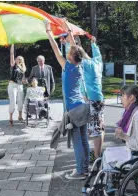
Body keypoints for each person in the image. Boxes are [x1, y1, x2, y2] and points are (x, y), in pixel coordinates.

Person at [45, 21, 90, 180]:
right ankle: (86, 168)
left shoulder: (68, 67)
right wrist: (67, 29)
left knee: (77, 140)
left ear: (70, 57)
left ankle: (79, 171)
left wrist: (48, 31)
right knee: (84, 139)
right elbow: (75, 48)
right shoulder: (80, 65)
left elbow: (55, 50)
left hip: (73, 109)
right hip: (83, 106)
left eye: (69, 53)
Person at [63, 20, 105, 163]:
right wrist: (93, 44)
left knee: (94, 130)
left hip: (92, 100)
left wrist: (69, 35)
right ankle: (97, 154)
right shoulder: (96, 62)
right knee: (99, 128)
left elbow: (75, 55)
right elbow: (94, 53)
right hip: (99, 98)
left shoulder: (86, 64)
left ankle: (97, 157)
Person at [8, 44, 27, 126]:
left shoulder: (23, 68)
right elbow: (12, 54)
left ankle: (20, 116)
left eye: (20, 59)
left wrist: (25, 81)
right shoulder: (13, 65)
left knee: (20, 101)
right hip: (12, 85)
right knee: (13, 102)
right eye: (18, 59)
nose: (19, 60)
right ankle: (11, 117)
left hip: (20, 86)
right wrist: (12, 44)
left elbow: (23, 78)